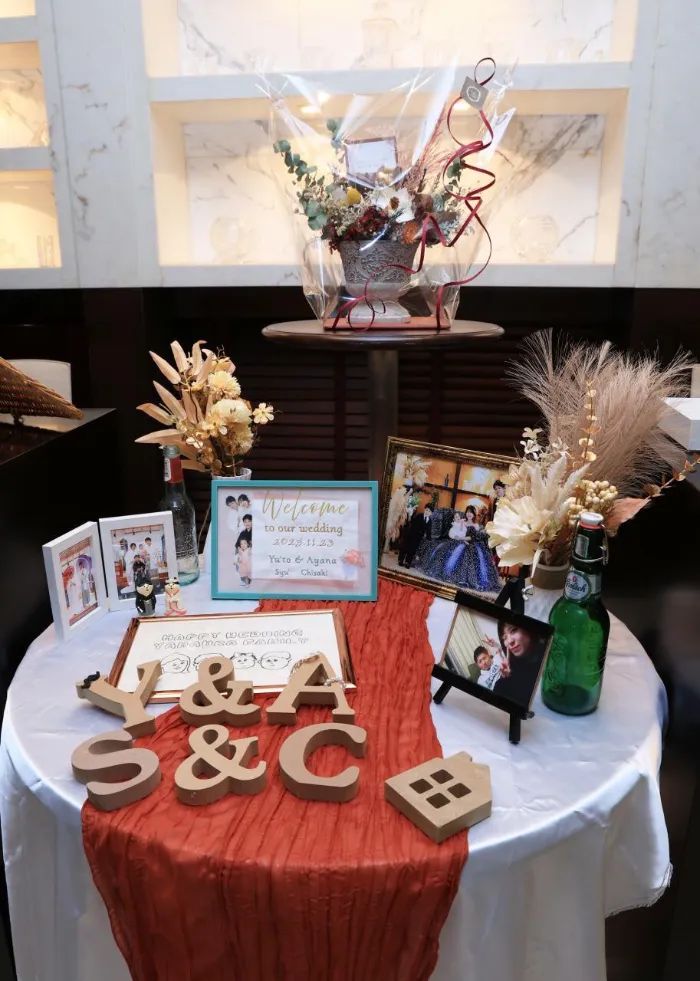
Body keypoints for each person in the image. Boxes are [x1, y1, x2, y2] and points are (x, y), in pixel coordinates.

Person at [492, 622, 546, 707]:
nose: (510, 641)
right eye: (504, 638)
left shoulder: (551, 652)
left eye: (513, 630)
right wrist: (507, 677)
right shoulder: (511, 670)